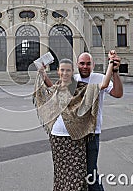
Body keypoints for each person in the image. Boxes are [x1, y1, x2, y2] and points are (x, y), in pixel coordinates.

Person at [42, 51, 123, 191]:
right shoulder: (73, 79)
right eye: (82, 63)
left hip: (91, 133)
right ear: (77, 65)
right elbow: (55, 90)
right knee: (77, 174)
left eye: (88, 63)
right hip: (74, 135)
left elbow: (117, 93)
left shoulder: (100, 78)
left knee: (90, 172)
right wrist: (43, 74)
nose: (85, 66)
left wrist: (114, 71)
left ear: (93, 65)